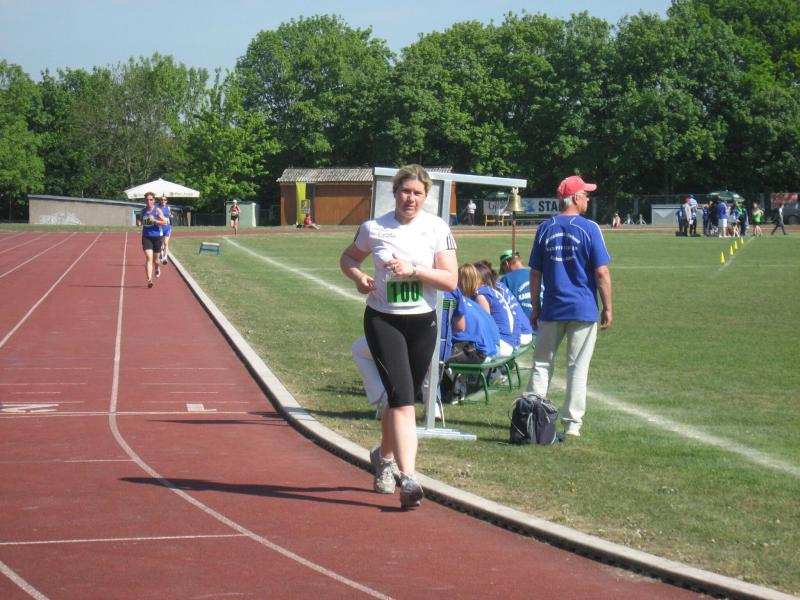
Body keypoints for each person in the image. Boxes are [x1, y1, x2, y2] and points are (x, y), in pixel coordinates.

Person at [339, 164, 457, 509]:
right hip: (384, 320)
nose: (411, 198)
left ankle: (384, 457)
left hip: (422, 322)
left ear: (426, 196)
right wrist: (359, 277)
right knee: (404, 400)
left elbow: (450, 280)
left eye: (418, 193)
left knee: (399, 397)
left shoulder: (437, 228)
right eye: (406, 191)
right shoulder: (374, 228)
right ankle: (410, 479)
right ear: (394, 193)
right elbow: (348, 258)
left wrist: (413, 270)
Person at [525, 175, 612, 437]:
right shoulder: (589, 228)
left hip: (552, 307)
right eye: (586, 194)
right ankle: (572, 424)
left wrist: (536, 306)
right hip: (583, 308)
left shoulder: (545, 228)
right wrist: (608, 307)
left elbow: (535, 274)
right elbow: (601, 272)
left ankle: (531, 417)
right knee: (577, 368)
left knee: (541, 364)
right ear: (575, 198)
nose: (588, 199)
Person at [136, 192, 169, 288]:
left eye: (151, 199)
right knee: (148, 258)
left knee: (156, 260)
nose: (149, 201)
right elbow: (140, 221)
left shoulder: (157, 210)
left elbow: (165, 222)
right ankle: (149, 280)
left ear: (154, 200)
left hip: (157, 237)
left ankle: (157, 267)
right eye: (147, 200)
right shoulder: (143, 211)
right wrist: (138, 223)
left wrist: (154, 220)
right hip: (146, 237)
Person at [499, 250, 533, 317]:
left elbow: (501, 305)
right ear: (521, 260)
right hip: (541, 321)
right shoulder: (536, 277)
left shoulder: (506, 279)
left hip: (519, 321)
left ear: (506, 264)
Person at [158, 195, 172, 266]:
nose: (163, 201)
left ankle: (165, 257)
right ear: (160, 200)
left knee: (166, 243)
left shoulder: (168, 208)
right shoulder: (158, 208)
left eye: (164, 200)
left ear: (166, 201)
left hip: (167, 227)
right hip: (160, 227)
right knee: (161, 243)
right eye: (162, 199)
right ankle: (161, 253)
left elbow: (170, 215)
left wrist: (171, 216)